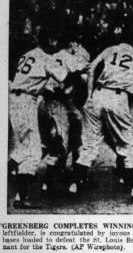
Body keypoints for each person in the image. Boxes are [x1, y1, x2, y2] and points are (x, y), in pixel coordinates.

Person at [70, 33, 133, 203]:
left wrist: (89, 94)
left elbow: (91, 69)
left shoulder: (110, 50)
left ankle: (74, 184)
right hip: (117, 98)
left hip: (97, 95)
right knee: (130, 145)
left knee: (90, 145)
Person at [8, 28, 72, 208]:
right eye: (54, 41)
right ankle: (22, 198)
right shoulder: (47, 58)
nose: (56, 44)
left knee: (21, 148)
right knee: (33, 151)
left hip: (13, 98)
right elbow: (64, 77)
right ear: (49, 40)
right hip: (26, 101)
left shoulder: (28, 54)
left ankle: (15, 181)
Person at [39, 31, 89, 195]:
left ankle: (74, 176)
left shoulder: (53, 56)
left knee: (76, 126)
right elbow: (78, 78)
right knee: (60, 144)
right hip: (56, 101)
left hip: (53, 101)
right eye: (76, 43)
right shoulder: (69, 57)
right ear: (72, 43)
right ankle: (49, 182)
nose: (78, 46)